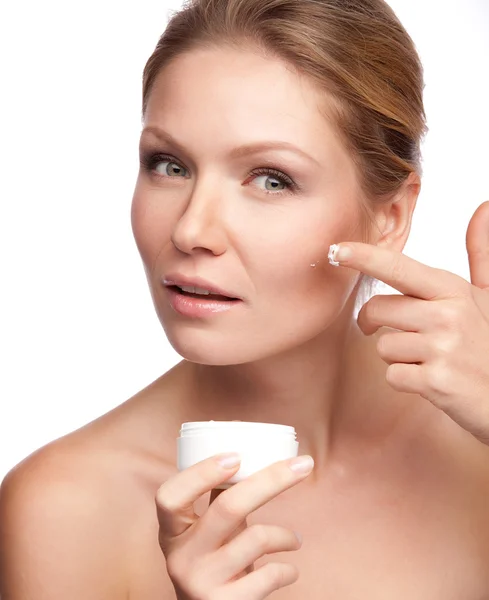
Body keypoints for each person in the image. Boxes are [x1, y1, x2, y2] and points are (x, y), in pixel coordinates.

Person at [2, 0, 489, 597]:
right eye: (169, 165)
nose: (190, 231)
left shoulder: (476, 439)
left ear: (389, 217)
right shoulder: (67, 511)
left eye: (270, 178)